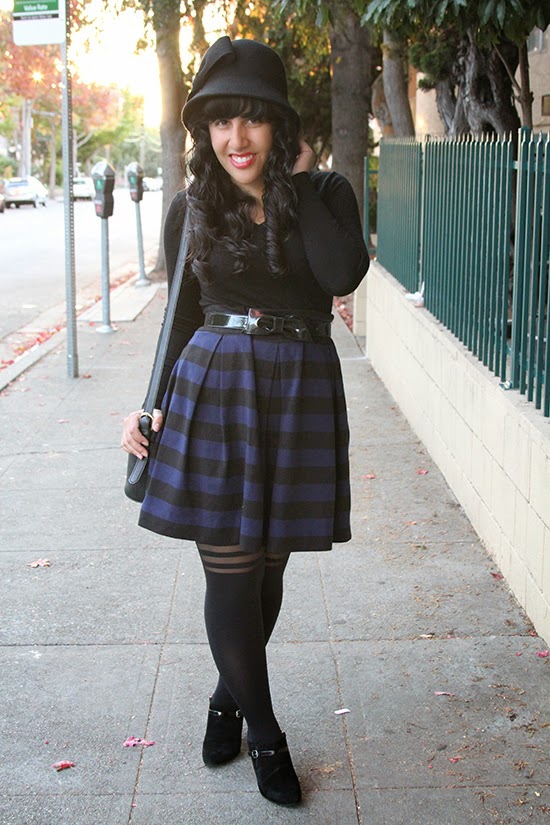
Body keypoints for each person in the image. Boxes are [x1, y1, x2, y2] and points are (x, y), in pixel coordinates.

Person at [121, 35, 369, 806]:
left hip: (298, 390)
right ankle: (265, 733)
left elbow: (341, 274)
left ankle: (227, 696)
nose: (236, 139)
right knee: (229, 569)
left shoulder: (324, 194)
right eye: (221, 122)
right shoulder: (192, 209)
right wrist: (149, 402)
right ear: (206, 132)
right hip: (214, 386)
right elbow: (182, 314)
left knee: (267, 570)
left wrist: (292, 182)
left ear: (278, 126)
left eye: (253, 121)